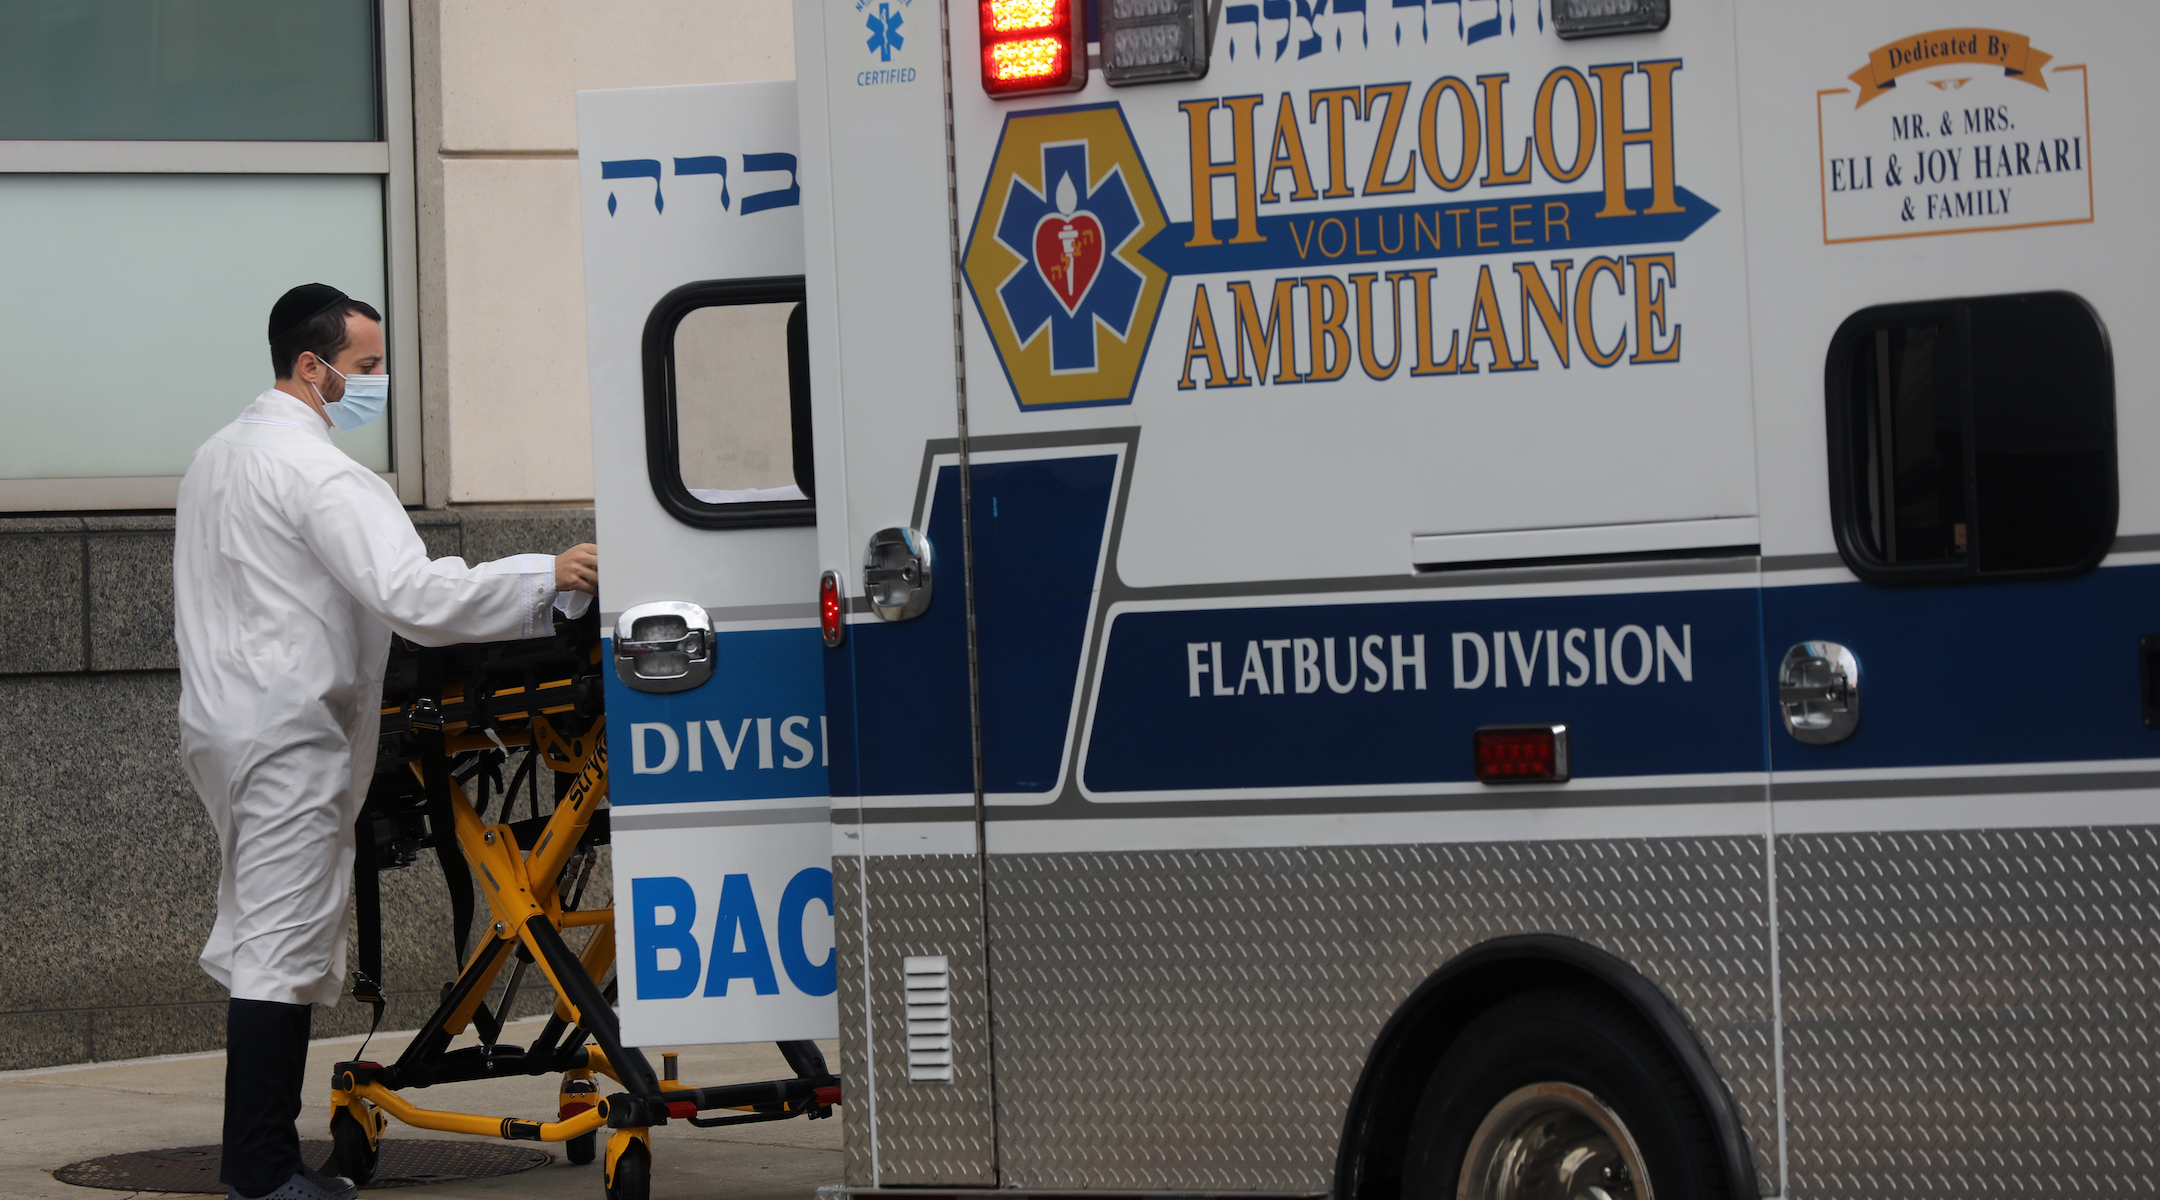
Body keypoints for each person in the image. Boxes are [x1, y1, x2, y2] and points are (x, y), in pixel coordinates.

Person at [173, 284, 600, 1200]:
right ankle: (262, 1172)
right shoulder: (318, 473)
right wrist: (547, 574)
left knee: (263, 935)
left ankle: (261, 1161)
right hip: (290, 735)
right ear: (311, 368)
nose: (375, 385)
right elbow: (418, 595)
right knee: (280, 948)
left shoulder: (216, 458)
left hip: (227, 727)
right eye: (364, 369)